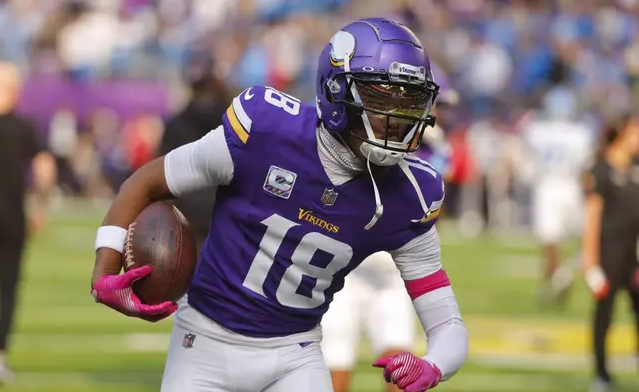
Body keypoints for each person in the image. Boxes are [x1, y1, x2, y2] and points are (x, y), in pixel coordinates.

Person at [90, 18, 469, 392]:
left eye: (410, 103)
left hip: (295, 356)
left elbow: (447, 323)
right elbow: (148, 180)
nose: (397, 119)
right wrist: (103, 272)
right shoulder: (266, 131)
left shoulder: (412, 191)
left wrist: (433, 365)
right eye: (380, 99)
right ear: (337, 92)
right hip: (203, 343)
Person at [320, 70, 458, 392]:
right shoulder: (363, 131)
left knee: (401, 369)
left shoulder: (433, 148)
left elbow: (431, 208)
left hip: (394, 271)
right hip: (347, 268)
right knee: (334, 368)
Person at [0, 61, 56, 383]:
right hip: (11, 216)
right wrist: (40, 206)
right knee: (7, 288)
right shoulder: (25, 126)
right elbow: (45, 169)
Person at [520, 87, 595, 304]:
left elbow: (528, 163)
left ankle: (559, 276)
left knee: (550, 240)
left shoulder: (537, 130)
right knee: (582, 236)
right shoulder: (579, 133)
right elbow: (585, 166)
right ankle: (559, 278)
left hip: (547, 186)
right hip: (570, 186)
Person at [582, 114, 639, 392]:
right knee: (605, 311)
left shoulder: (636, 167)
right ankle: (601, 374)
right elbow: (592, 217)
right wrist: (591, 262)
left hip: (634, 253)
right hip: (609, 253)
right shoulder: (601, 168)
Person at [159, 53, 232, 244]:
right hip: (226, 215)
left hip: (189, 216)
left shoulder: (177, 123)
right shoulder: (235, 119)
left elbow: (161, 176)